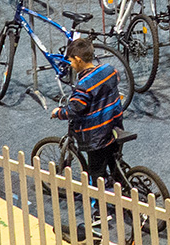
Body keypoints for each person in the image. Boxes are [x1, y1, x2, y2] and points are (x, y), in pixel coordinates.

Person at [50, 38, 125, 191]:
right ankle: (125, 191)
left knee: (97, 175)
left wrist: (58, 113)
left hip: (97, 136)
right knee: (115, 165)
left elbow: (75, 109)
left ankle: (100, 212)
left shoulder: (83, 86)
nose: (70, 64)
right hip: (114, 127)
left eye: (70, 60)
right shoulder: (109, 69)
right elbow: (116, 79)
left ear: (78, 59)